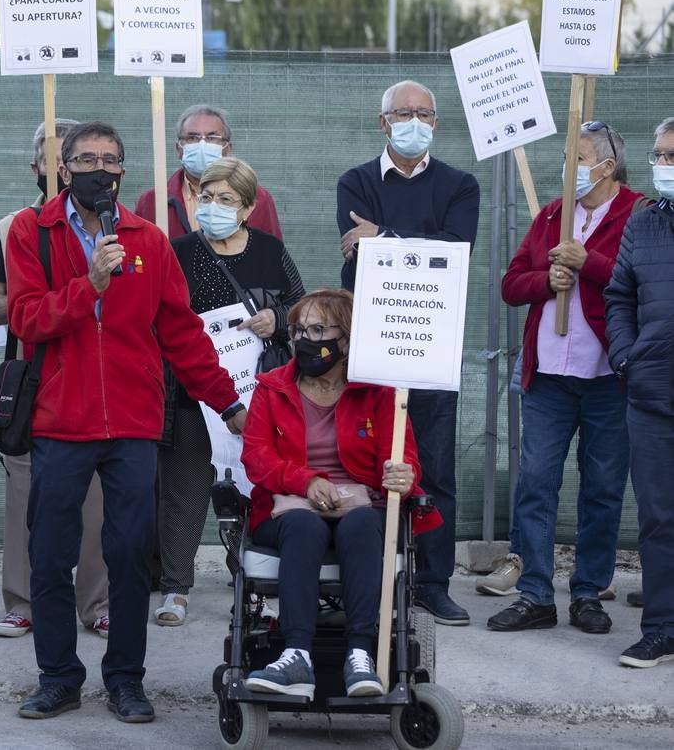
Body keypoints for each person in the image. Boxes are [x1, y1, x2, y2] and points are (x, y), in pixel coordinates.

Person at [6, 121, 246, 724]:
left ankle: (126, 679)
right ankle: (58, 676)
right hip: (60, 422)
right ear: (63, 169)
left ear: (122, 171)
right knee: (52, 552)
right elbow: (27, 320)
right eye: (85, 158)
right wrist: (89, 286)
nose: (100, 169)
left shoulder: (148, 240)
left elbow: (182, 334)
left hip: (134, 425)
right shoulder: (32, 233)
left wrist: (229, 403)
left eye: (111, 159)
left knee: (130, 554)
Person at [240, 289, 441, 699]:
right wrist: (306, 481)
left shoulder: (380, 391)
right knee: (303, 526)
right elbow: (256, 456)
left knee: (364, 524)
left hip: (361, 506)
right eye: (297, 331)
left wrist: (403, 474)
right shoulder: (271, 387)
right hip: (291, 504)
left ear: (346, 339)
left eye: (318, 330)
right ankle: (296, 653)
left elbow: (402, 457)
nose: (304, 340)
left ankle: (361, 655)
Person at [488, 122, 642, 636]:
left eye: (578, 157)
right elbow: (512, 284)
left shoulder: (637, 213)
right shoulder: (553, 214)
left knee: (601, 488)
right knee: (535, 482)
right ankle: (535, 592)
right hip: (549, 376)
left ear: (607, 163)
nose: (568, 166)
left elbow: (642, 282)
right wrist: (545, 280)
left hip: (608, 377)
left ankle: (588, 592)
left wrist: (589, 263)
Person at [336, 80, 479, 626]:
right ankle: (372, 574)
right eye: (402, 112)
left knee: (435, 468)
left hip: (431, 339)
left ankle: (432, 583)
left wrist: (384, 239)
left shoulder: (459, 185)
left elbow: (456, 254)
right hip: (371, 340)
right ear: (383, 122)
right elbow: (355, 261)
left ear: (437, 123)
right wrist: (417, 245)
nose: (414, 122)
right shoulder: (356, 181)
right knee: (368, 460)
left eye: (424, 114)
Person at [0, 118, 111, 641]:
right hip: (35, 380)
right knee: (25, 495)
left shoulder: (115, 225)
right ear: (37, 168)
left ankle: (97, 602)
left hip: (96, 377)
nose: (62, 171)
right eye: (52, 161)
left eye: (73, 160)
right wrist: (55, 296)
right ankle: (22, 601)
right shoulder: (16, 228)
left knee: (98, 498)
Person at [157, 157, 305, 626]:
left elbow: (303, 311)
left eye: (226, 199)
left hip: (258, 392)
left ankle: (251, 581)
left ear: (247, 207)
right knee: (185, 487)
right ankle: (175, 589)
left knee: (254, 486)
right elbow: (160, 315)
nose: (213, 206)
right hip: (191, 391)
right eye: (206, 196)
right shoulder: (177, 251)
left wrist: (277, 319)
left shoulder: (269, 249)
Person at [604, 117, 674, 669]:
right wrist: (625, 354)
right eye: (658, 154)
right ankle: (661, 629)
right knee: (657, 517)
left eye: (672, 155)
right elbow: (618, 295)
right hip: (651, 393)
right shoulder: (643, 222)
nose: (662, 164)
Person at [133, 104, 282, 239]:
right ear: (179, 149)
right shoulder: (152, 201)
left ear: (228, 148)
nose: (202, 144)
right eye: (192, 137)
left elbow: (272, 258)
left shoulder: (257, 198)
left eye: (212, 137)